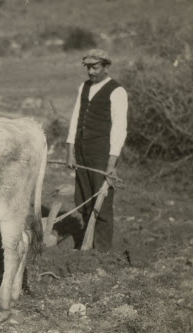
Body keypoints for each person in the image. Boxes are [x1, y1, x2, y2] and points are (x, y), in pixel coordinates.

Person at [66, 49, 128, 252]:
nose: (91, 72)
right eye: (88, 68)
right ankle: (87, 242)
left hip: (102, 153)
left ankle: (102, 252)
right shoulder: (83, 87)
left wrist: (111, 164)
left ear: (105, 66)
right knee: (82, 199)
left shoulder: (117, 91)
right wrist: (70, 150)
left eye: (95, 67)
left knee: (102, 201)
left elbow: (119, 129)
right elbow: (75, 118)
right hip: (82, 150)